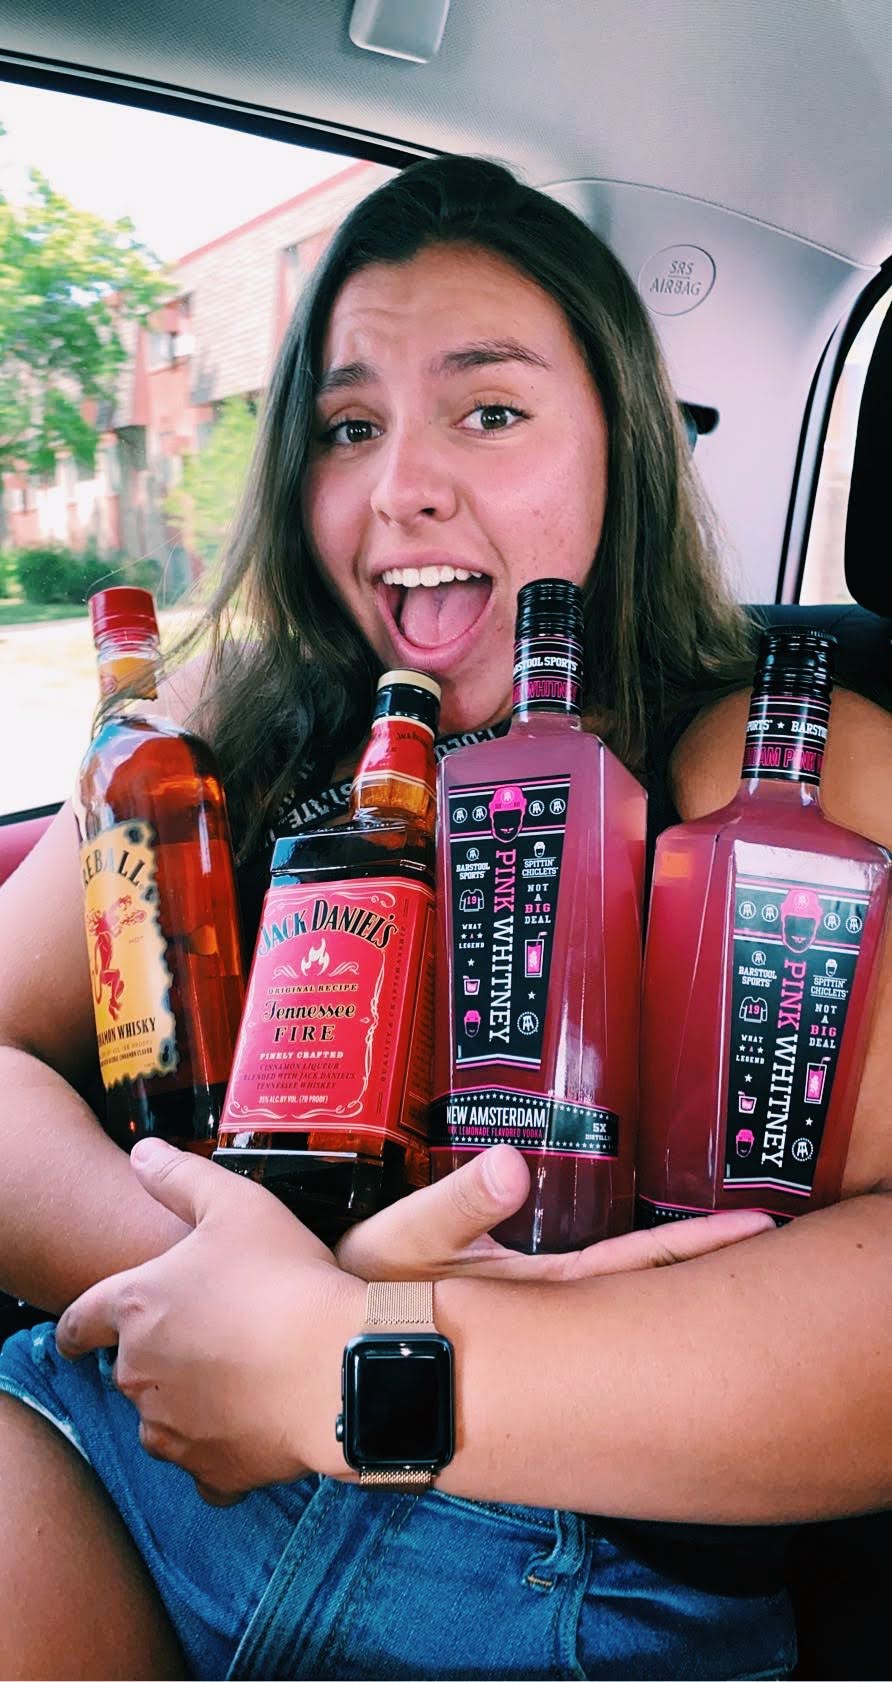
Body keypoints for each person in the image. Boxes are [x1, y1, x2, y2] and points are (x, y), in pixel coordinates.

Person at [0, 155, 889, 1682]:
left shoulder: (767, 772)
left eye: (488, 411)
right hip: (126, 1461)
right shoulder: (224, 716)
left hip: (561, 1576)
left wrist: (345, 1353)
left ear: (621, 447)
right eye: (349, 427)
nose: (400, 482)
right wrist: (228, 1290)